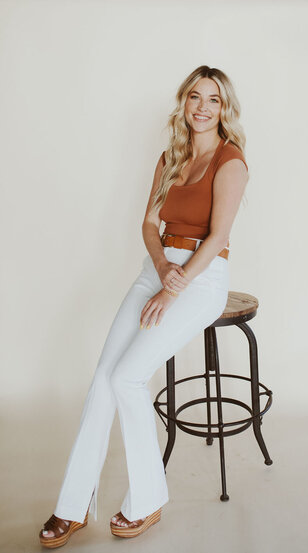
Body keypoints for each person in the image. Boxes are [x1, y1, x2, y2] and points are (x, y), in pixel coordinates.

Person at [38, 64, 249, 547]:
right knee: (103, 378)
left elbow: (217, 239)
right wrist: (159, 269)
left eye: (213, 100)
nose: (202, 107)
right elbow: (150, 224)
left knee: (127, 377)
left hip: (200, 276)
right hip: (156, 269)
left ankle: (148, 499)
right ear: (184, 102)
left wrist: (173, 286)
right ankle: (71, 507)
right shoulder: (171, 156)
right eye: (195, 97)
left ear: (224, 108)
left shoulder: (230, 161)